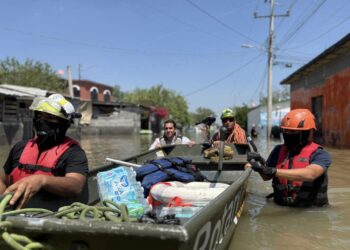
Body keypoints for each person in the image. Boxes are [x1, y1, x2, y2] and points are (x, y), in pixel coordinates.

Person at [0, 94, 89, 211]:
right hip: (13, 210)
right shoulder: (20, 147)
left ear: (64, 123)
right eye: (39, 116)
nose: (42, 120)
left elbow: (76, 185)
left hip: (50, 214)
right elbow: (5, 178)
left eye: (49, 117)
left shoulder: (74, 152)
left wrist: (42, 180)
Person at [246, 109, 332, 207]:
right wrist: (260, 165)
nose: (287, 134)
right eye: (285, 130)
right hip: (281, 208)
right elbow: (266, 177)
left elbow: (311, 174)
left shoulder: (319, 153)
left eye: (292, 131)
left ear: (305, 132)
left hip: (311, 211)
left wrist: (273, 171)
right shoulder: (278, 151)